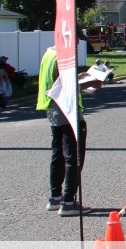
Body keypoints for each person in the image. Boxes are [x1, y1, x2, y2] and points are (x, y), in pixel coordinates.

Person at [37, 46, 87, 217]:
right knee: (74, 156)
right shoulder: (64, 56)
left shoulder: (49, 54)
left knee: (57, 154)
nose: (78, 43)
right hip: (67, 111)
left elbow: (57, 80)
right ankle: (68, 201)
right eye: (77, 39)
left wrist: (78, 78)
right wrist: (91, 83)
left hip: (52, 109)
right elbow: (66, 86)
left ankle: (55, 198)